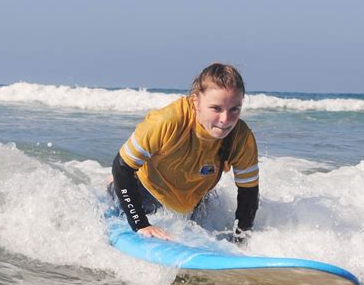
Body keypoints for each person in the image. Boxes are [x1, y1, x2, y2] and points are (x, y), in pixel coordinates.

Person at [110, 63, 259, 242]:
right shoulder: (167, 121)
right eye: (216, 108)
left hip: (194, 201)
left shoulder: (241, 137)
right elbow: (122, 167)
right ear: (196, 101)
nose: (226, 119)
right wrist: (140, 224)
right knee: (119, 190)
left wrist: (240, 239)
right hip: (145, 192)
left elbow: (248, 192)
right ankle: (110, 187)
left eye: (234, 109)